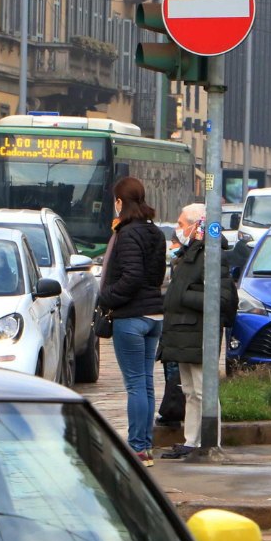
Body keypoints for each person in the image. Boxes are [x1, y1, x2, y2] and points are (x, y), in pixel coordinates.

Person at [97, 176, 166, 467]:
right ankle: (146, 446)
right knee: (147, 383)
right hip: (154, 316)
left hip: (132, 318)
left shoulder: (127, 234)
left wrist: (107, 296)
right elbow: (157, 275)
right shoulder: (156, 233)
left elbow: (131, 277)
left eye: (116, 200)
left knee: (136, 384)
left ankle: (137, 448)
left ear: (120, 202)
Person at [159, 204, 236, 460]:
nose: (178, 229)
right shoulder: (190, 251)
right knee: (190, 391)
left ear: (195, 224)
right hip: (184, 333)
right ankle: (191, 440)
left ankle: (209, 441)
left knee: (204, 390)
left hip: (200, 333)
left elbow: (222, 297)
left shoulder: (212, 254)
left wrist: (182, 295)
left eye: (181, 224)